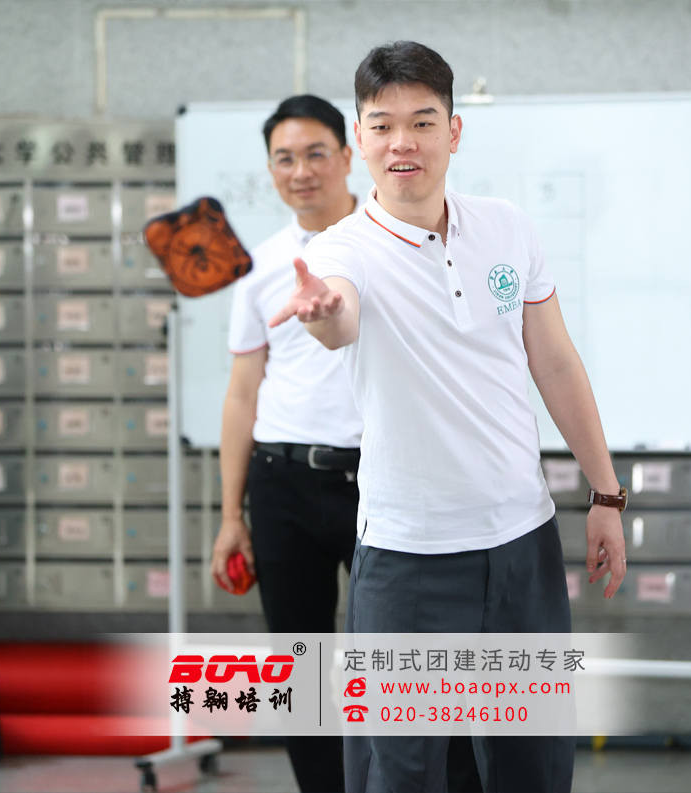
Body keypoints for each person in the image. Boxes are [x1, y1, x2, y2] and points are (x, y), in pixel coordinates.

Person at [269, 42, 628, 793]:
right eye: (382, 125)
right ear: (361, 138)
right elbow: (339, 314)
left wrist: (605, 493)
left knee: (533, 767)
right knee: (401, 773)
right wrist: (322, 313)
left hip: (522, 545)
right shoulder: (343, 250)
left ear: (454, 132)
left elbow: (555, 362)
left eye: (423, 122)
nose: (403, 142)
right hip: (409, 559)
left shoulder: (507, 227)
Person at [210, 94, 362, 793]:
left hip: (377, 482)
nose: (301, 171)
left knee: (398, 659)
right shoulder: (260, 265)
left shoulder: (391, 245)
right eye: (284, 159)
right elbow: (243, 392)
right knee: (302, 671)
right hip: (282, 483)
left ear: (348, 156)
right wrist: (230, 515)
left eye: (315, 154)